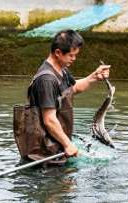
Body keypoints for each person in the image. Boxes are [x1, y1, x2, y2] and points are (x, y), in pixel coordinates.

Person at [27, 29, 110, 163]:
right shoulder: (47, 80)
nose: (74, 59)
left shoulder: (61, 70)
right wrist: (67, 144)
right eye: (71, 55)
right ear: (58, 52)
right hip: (45, 154)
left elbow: (74, 88)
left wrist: (94, 77)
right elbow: (49, 120)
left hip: (59, 147)